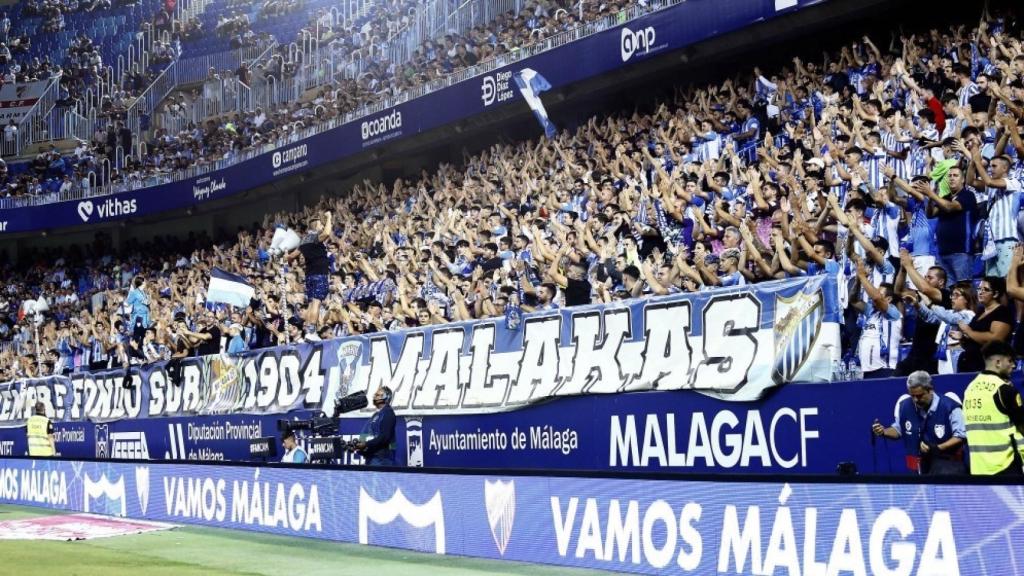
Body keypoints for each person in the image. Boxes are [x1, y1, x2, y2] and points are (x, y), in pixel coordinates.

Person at [871, 371, 966, 475]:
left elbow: (960, 436)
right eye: (912, 396)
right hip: (916, 470)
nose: (915, 400)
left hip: (947, 469)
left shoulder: (950, 407)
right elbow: (898, 430)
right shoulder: (905, 406)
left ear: (930, 390)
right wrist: (883, 431)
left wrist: (937, 448)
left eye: (919, 396)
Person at [963, 342, 1024, 476]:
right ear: (998, 362)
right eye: (1010, 360)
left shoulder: (970, 389)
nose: (1013, 365)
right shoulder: (1004, 389)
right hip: (1006, 466)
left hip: (979, 468)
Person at [957, 277, 1013, 373]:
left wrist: (968, 332)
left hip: (985, 365)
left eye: (985, 289)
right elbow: (973, 336)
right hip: (969, 362)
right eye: (979, 289)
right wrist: (962, 337)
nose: (980, 292)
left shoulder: (1002, 312)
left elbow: (995, 339)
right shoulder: (980, 311)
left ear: (995, 294)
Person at [354, 386, 397, 466]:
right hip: (372, 457)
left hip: (381, 459)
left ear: (386, 397)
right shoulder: (376, 415)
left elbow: (384, 437)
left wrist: (365, 444)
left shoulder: (388, 413)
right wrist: (359, 445)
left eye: (377, 395)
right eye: (375, 395)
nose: (374, 397)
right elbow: (366, 433)